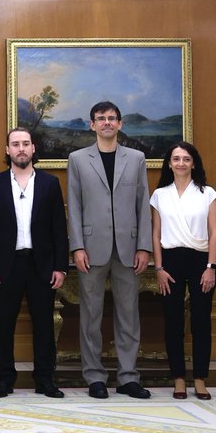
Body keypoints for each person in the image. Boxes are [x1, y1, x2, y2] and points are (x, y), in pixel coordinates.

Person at [67, 100, 153, 399]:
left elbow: (144, 205)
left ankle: (128, 377)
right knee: (90, 315)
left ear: (120, 123)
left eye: (112, 118)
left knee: (129, 314)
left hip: (129, 249)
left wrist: (144, 246)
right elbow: (74, 206)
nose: (106, 122)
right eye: (100, 118)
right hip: (91, 248)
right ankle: (95, 377)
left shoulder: (137, 158)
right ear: (92, 124)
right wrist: (77, 246)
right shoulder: (78, 159)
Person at [0, 127, 68, 399]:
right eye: (15, 144)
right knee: (3, 324)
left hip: (41, 264)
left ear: (33, 149)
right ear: (7, 150)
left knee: (44, 323)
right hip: (5, 266)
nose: (21, 149)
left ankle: (45, 379)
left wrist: (60, 266)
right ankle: (4, 380)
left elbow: (59, 228)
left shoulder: (49, 184)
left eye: (26, 144)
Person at [150, 141, 216, 400]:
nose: (181, 163)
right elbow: (155, 235)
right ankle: (179, 378)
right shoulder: (159, 195)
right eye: (176, 159)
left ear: (194, 163)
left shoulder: (208, 193)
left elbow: (214, 234)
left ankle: (200, 378)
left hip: (201, 261)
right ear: (169, 163)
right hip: (170, 262)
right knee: (173, 322)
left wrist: (210, 267)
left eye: (186, 159)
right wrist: (158, 268)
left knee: (201, 321)